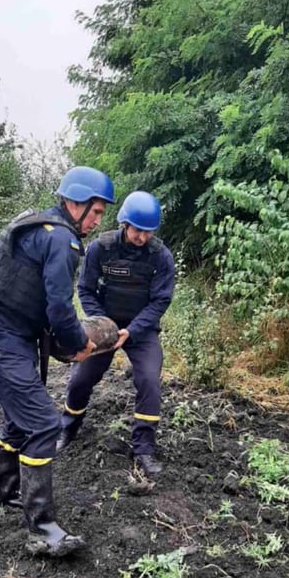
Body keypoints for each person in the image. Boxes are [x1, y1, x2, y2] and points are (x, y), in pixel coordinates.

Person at [0, 166, 115, 557]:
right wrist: (79, 346)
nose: (98, 221)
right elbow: (59, 308)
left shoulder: (40, 226)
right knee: (45, 423)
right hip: (1, 340)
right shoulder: (62, 239)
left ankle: (7, 491)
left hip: (0, 334)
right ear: (75, 203)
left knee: (22, 418)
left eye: (102, 214)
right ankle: (42, 526)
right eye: (96, 212)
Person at [57, 190, 175, 477]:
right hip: (105, 325)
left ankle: (144, 449)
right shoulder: (101, 248)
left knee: (148, 380)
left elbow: (160, 300)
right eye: (138, 231)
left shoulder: (161, 256)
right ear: (124, 223)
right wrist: (104, 324)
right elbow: (84, 289)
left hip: (140, 330)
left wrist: (132, 331)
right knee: (81, 379)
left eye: (149, 232)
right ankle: (67, 429)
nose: (142, 238)